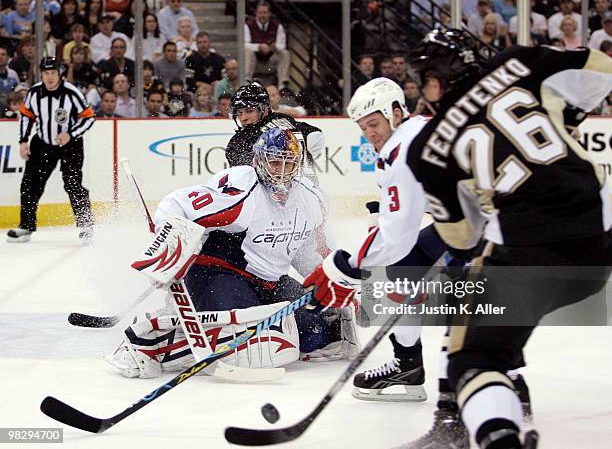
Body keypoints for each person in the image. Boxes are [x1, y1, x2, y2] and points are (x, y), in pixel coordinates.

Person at [402, 27, 612, 449]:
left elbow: (461, 239)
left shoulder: (424, 148)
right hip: (601, 227)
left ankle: (500, 437)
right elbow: (602, 68)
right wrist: (563, 114)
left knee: (474, 359)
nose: (422, 89)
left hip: (528, 252)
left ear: (440, 74)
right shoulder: (519, 62)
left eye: (425, 78)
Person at [105, 128, 358, 378]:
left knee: (316, 332)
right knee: (255, 344)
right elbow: (177, 203)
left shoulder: (309, 200)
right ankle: (148, 341)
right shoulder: (242, 191)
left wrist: (338, 281)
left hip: (271, 282)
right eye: (274, 162)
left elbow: (310, 252)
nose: (281, 172)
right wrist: (170, 240)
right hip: (218, 276)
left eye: (288, 163)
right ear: (259, 161)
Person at [305, 77, 442, 403]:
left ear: (396, 113)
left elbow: (397, 237)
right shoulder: (416, 130)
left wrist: (346, 268)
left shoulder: (403, 151)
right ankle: (408, 364)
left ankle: (504, 385)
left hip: (499, 230)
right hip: (473, 221)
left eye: (375, 123)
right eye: (363, 127)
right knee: (401, 268)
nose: (370, 134)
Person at [7, 57, 95, 244]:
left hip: (70, 144)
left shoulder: (72, 93)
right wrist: (23, 141)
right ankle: (26, 226)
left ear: (59, 73)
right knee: (30, 184)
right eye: (46, 73)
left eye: (53, 73)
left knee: (72, 183)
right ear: (42, 74)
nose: (50, 77)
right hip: (43, 143)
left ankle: (86, 225)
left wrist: (70, 134)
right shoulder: (34, 92)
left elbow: (88, 118)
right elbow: (25, 115)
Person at [225, 83, 325, 181]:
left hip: (290, 189)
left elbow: (315, 136)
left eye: (249, 111)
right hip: (295, 188)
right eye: (239, 112)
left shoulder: (279, 121)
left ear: (264, 109)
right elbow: (316, 136)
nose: (243, 118)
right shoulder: (236, 142)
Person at [244, 1, 291, 88]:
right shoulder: (248, 25)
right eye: (260, 13)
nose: (262, 15)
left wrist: (274, 47)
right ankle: (246, 81)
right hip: (255, 61)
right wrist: (258, 47)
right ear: (256, 13)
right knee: (247, 51)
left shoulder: (277, 26)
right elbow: (244, 44)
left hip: (271, 61)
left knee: (285, 53)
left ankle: (282, 85)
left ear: (269, 14)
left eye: (265, 13)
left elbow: (282, 45)